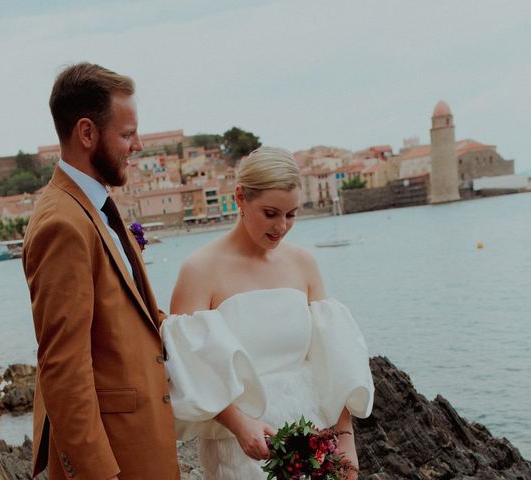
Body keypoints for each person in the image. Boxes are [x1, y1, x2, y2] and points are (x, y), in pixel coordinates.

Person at [162, 146, 374, 480]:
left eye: (291, 214)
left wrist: (345, 441)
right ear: (240, 199)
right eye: (271, 213)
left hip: (311, 433)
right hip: (240, 443)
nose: (282, 226)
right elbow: (189, 369)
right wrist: (239, 425)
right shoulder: (199, 270)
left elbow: (331, 357)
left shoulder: (304, 263)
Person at [23, 63, 179, 480]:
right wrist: (97, 473)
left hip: (141, 443)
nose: (139, 145)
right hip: (115, 459)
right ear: (87, 133)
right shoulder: (62, 223)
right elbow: (63, 366)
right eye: (127, 135)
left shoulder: (94, 208)